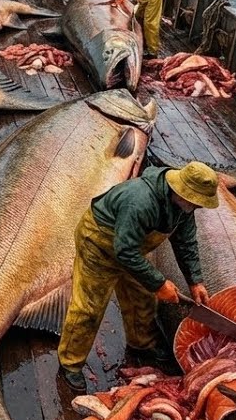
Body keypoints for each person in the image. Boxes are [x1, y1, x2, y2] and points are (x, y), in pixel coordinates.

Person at [57, 161, 219, 391]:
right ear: (181, 191)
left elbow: (186, 243)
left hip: (131, 248)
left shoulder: (184, 208)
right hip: (99, 245)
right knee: (89, 308)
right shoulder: (140, 200)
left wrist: (195, 281)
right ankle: (70, 363)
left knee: (142, 298)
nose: (197, 206)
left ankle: (141, 344)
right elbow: (124, 251)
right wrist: (159, 283)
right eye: (196, 201)